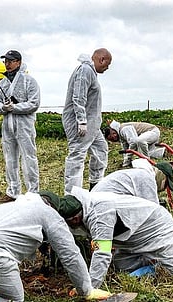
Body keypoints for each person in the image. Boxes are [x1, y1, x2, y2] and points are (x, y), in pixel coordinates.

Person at [0, 191, 112, 302]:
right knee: (15, 301)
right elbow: (70, 254)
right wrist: (86, 290)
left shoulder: (12, 207)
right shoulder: (48, 213)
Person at [59, 187, 173, 289]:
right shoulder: (83, 207)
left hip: (156, 229)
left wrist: (89, 288)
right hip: (132, 239)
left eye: (72, 222)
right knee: (121, 266)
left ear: (76, 218)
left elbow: (103, 253)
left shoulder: (100, 215)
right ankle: (156, 262)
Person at [62, 48, 112, 194]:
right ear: (101, 59)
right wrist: (81, 121)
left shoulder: (90, 72)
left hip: (92, 125)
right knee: (77, 156)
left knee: (101, 150)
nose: (107, 68)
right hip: (81, 124)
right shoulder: (85, 70)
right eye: (107, 64)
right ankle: (72, 195)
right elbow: (79, 97)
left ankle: (96, 187)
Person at [0, 50, 41, 201]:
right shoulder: (2, 83)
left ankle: (32, 191)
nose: (7, 64)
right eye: (5, 61)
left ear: (18, 62)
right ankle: (13, 191)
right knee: (10, 158)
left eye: (10, 61)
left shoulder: (29, 81)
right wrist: (4, 108)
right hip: (8, 125)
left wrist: (15, 107)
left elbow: (34, 103)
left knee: (28, 157)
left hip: (24, 125)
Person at [91, 158, 173, 203]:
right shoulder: (146, 178)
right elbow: (152, 209)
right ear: (162, 176)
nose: (164, 188)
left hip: (98, 199)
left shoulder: (141, 174)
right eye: (166, 184)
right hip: (102, 202)